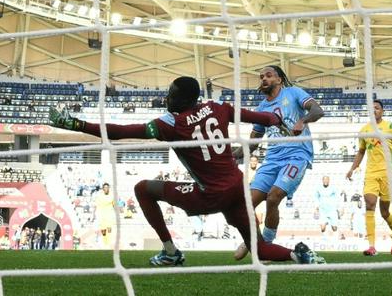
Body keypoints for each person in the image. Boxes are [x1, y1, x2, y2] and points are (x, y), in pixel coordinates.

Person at [49, 76, 324, 266]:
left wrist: (75, 124)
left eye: (171, 94)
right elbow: (263, 117)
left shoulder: (171, 123)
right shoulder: (218, 108)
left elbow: (119, 132)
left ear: (182, 99)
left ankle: (170, 252)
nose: (167, 97)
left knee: (143, 189)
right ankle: (299, 255)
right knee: (259, 248)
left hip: (210, 195)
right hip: (237, 190)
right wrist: (279, 120)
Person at [245, 66, 324, 245]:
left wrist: (302, 120)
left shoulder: (293, 93)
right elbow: (254, 140)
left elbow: (317, 111)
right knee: (246, 204)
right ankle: (254, 241)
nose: (264, 79)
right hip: (272, 159)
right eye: (261, 77)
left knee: (273, 197)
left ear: (279, 80)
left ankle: (267, 243)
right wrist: (232, 154)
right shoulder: (262, 107)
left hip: (297, 155)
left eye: (268, 75)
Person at [346, 99, 392, 256]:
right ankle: (372, 246)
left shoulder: (390, 127)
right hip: (371, 174)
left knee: (385, 212)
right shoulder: (364, 130)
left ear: (382, 111)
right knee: (370, 204)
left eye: (377, 108)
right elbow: (361, 152)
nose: (374, 110)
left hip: (387, 174)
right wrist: (352, 168)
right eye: (371, 108)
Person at [94, 182, 115, 247]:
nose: (106, 188)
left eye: (107, 187)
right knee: (103, 229)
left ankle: (109, 241)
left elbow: (114, 205)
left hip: (109, 214)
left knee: (109, 227)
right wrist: (94, 214)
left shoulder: (112, 196)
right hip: (101, 214)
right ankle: (104, 241)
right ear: (103, 188)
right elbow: (96, 205)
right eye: (105, 187)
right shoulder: (99, 196)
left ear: (109, 188)